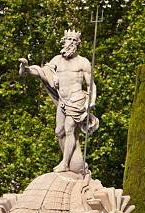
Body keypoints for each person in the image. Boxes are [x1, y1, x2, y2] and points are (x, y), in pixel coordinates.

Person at [19, 29, 99, 174]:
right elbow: (42, 72)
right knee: (59, 131)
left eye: (73, 41)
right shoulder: (57, 60)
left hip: (77, 100)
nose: (70, 43)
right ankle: (72, 161)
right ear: (64, 42)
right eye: (68, 40)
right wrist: (26, 68)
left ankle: (65, 163)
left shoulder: (83, 62)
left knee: (69, 129)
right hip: (62, 101)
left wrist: (90, 103)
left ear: (77, 44)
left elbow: (90, 85)